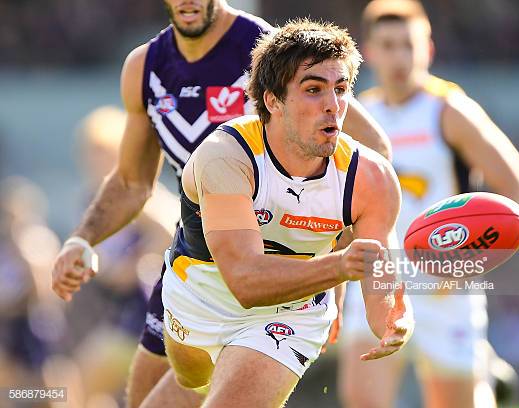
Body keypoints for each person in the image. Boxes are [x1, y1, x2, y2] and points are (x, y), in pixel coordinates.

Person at [50, 1, 391, 407]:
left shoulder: (263, 47)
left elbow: (371, 150)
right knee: (144, 395)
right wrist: (81, 240)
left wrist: (333, 267)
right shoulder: (145, 67)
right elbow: (131, 181)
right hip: (193, 265)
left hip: (271, 269)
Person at [160, 18, 413, 408]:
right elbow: (246, 281)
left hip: (294, 313)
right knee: (190, 378)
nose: (333, 105)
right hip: (198, 298)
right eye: (313, 89)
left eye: (342, 89)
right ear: (273, 100)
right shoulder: (226, 158)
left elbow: (380, 280)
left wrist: (395, 319)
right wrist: (340, 268)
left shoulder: (371, 177)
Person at [339, 1, 519, 408]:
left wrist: (464, 264)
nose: (399, 57)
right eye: (388, 45)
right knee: (361, 401)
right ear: (370, 53)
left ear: (428, 50)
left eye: (408, 45)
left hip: (445, 292)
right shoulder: (359, 115)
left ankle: (483, 372)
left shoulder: (449, 112)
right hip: (381, 281)